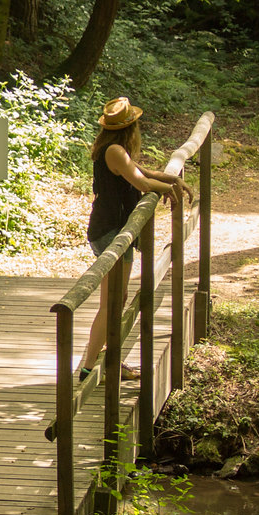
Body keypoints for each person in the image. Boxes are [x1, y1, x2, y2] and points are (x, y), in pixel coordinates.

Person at [79, 96, 186, 380]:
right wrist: (167, 188)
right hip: (110, 230)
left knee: (119, 297)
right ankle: (90, 367)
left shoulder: (113, 148)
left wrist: (172, 180)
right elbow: (140, 182)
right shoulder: (114, 150)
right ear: (131, 126)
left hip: (113, 228)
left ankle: (101, 359)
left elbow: (140, 172)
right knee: (112, 300)